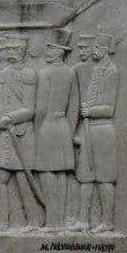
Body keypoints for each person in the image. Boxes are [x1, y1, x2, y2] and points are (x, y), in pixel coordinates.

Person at [0, 33, 43, 230]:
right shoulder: (1, 74)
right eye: (9, 49)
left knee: (24, 179)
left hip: (21, 133)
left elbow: (30, 109)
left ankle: (34, 221)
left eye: (15, 49)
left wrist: (11, 117)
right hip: (5, 134)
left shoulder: (29, 74)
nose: (10, 53)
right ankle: (1, 222)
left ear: (23, 51)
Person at [70, 33, 119, 232]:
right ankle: (83, 220)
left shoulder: (112, 71)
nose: (93, 50)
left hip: (103, 130)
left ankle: (107, 222)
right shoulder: (98, 69)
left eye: (97, 47)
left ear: (105, 49)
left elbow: (109, 108)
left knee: (105, 178)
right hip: (89, 130)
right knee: (85, 177)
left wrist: (90, 111)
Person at [34, 31, 79, 231]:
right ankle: (60, 221)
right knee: (61, 173)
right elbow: (74, 105)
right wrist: (69, 129)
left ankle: (52, 222)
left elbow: (41, 108)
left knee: (47, 173)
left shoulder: (45, 74)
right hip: (63, 127)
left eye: (51, 49)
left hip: (47, 127)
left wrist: (36, 129)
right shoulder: (70, 73)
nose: (48, 52)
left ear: (60, 52)